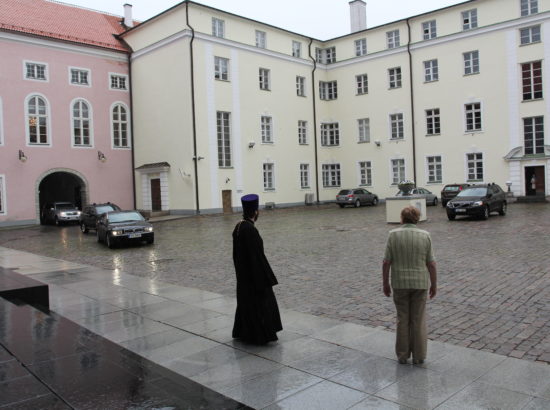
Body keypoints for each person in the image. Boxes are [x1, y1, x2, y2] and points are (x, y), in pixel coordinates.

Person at [382, 206, 437, 364]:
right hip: (420, 283)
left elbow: (386, 262)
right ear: (417, 218)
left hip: (399, 283)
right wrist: (434, 284)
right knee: (418, 319)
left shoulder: (393, 235)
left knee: (403, 318)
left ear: (402, 218)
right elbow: (431, 263)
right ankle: (419, 356)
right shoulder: (425, 236)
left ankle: (402, 355)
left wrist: (385, 283)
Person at [232, 194, 282, 344]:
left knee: (245, 305)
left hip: (243, 276)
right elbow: (257, 257)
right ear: (255, 212)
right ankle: (260, 335)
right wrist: (265, 280)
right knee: (261, 304)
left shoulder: (239, 226)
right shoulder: (250, 230)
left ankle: (243, 331)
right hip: (253, 277)